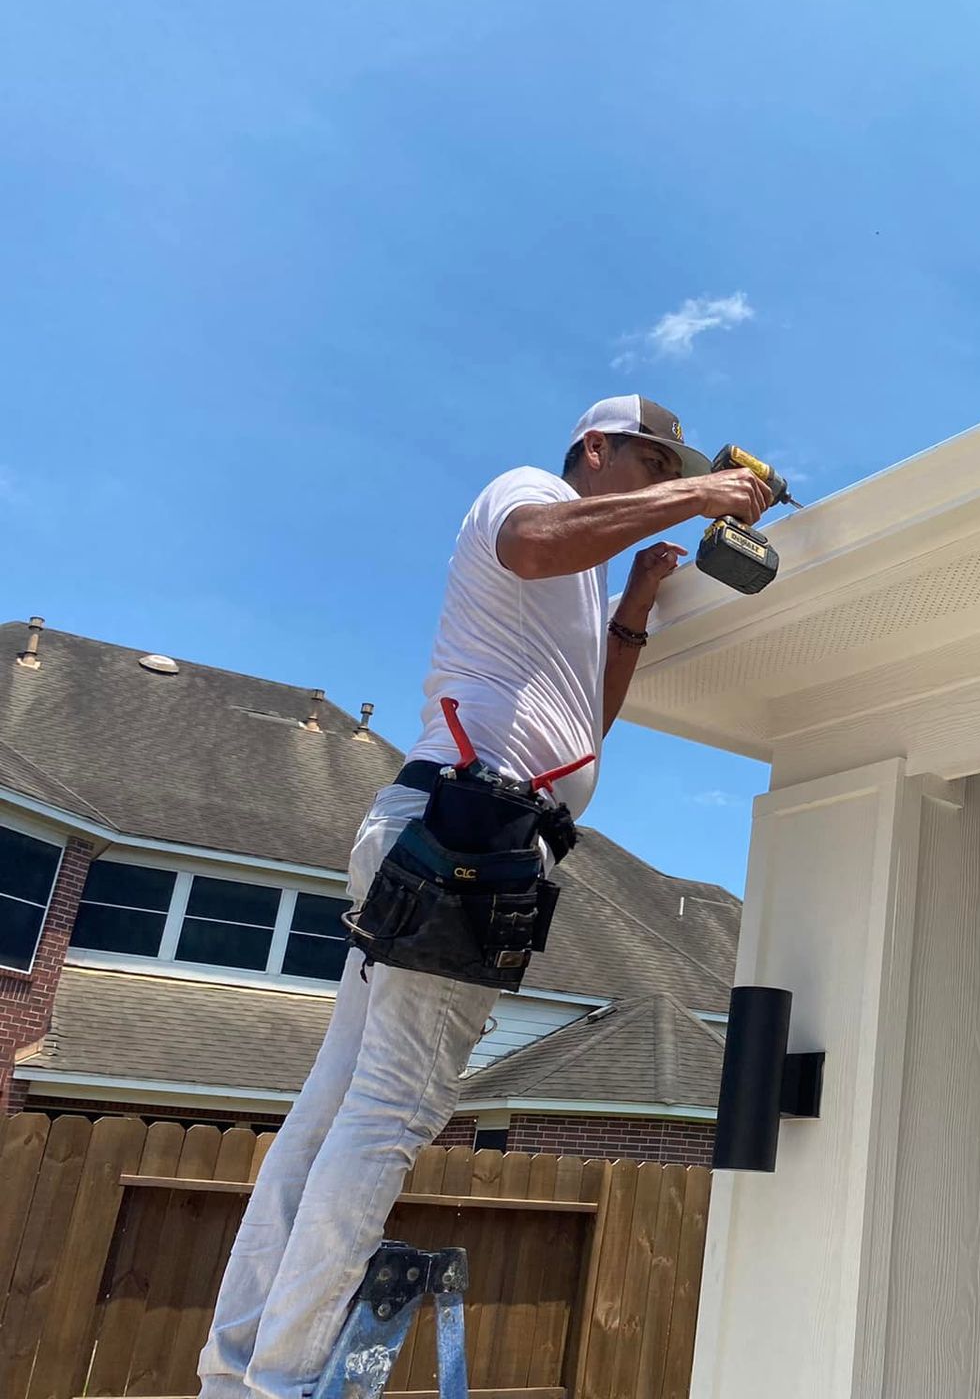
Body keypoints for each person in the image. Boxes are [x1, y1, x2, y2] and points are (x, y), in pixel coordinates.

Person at [197, 395, 772, 1399]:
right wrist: (704, 495)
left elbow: (587, 720)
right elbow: (533, 542)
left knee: (336, 1104)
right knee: (392, 1107)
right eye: (650, 463)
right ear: (595, 450)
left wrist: (632, 605)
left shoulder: (587, 577)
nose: (659, 481)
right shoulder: (532, 493)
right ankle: (277, 1381)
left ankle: (237, 1365)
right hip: (463, 833)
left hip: (450, 831)